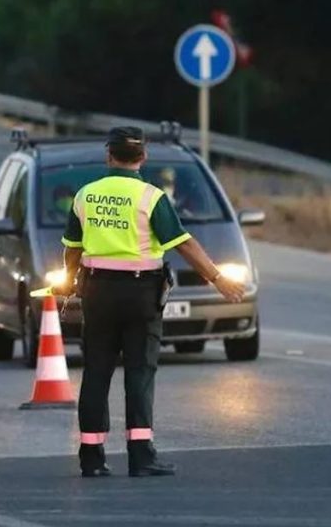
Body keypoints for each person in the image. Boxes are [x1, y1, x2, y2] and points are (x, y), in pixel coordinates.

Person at [57, 126, 245, 478]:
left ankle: (92, 458)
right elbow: (183, 244)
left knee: (96, 371)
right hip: (141, 294)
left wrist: (69, 281)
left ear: (108, 155)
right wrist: (217, 278)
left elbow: (72, 247)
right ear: (143, 158)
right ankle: (141, 456)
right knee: (140, 372)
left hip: (98, 293)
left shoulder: (85, 195)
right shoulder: (151, 197)